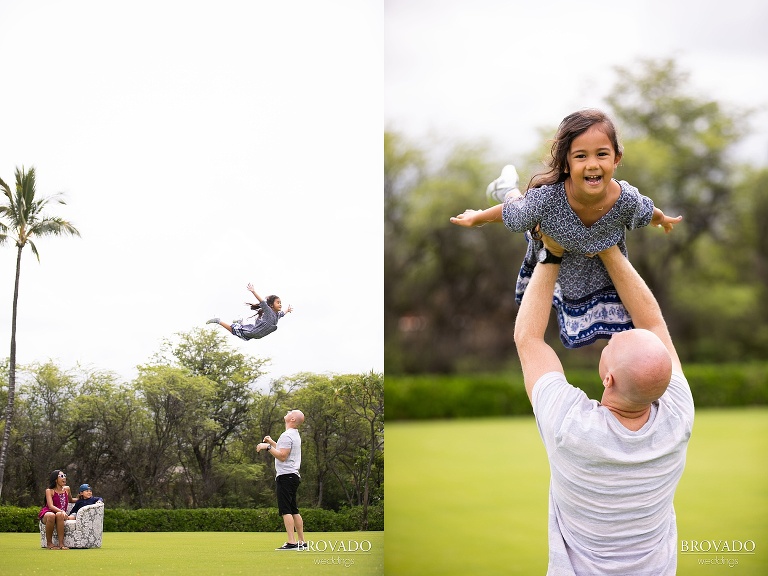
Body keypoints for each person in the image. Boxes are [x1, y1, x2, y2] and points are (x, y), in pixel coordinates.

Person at [514, 232, 694, 574]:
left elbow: (528, 339)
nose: (612, 336)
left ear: (607, 379)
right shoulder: (678, 416)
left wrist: (551, 251)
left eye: (612, 344)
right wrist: (607, 242)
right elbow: (653, 323)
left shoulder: (573, 428)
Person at [450, 109, 683, 348]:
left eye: (601, 154)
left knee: (627, 326)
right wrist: (478, 218)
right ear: (566, 163)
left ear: (616, 158)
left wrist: (662, 219)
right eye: (581, 156)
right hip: (548, 239)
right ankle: (507, 188)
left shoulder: (625, 199)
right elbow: (511, 215)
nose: (592, 164)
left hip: (593, 265)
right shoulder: (549, 198)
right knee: (521, 213)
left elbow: (646, 211)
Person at [257, 409, 305, 550]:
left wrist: (267, 447)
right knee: (294, 509)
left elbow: (282, 456)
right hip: (293, 476)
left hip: (285, 476)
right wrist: (272, 442)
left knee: (286, 510)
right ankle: (302, 542)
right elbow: (284, 451)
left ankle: (292, 542)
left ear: (292, 419)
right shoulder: (294, 435)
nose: (289, 411)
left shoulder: (287, 435)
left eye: (291, 412)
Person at [207, 282, 293, 341]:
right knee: (233, 331)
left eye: (281, 303)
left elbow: (282, 314)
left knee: (238, 331)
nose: (280, 304)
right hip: (253, 332)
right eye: (278, 303)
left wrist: (288, 310)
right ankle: (218, 321)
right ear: (271, 305)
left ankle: (239, 322)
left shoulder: (277, 314)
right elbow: (262, 302)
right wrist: (253, 291)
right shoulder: (269, 311)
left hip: (257, 334)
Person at [38, 469, 77, 550]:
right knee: (52, 515)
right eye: (61, 476)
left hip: (59, 514)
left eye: (65, 476)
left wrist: (83, 499)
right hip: (48, 513)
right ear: (56, 479)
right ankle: (49, 543)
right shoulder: (49, 491)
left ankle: (61, 544)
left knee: (59, 515)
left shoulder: (67, 489)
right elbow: (51, 506)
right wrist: (62, 511)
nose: (64, 478)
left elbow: (71, 500)